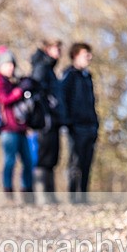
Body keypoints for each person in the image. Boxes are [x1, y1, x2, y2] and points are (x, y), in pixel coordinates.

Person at [0, 46, 35, 203]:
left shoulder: (14, 81)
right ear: (1, 65)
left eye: (13, 64)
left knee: (28, 161)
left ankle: (27, 191)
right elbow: (4, 99)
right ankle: (8, 191)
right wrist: (19, 91)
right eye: (8, 64)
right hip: (7, 129)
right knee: (10, 161)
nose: (11, 67)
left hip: (21, 128)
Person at [61, 42, 99, 203]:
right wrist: (69, 122)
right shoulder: (69, 75)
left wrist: (96, 123)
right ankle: (73, 197)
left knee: (87, 163)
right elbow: (63, 100)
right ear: (75, 55)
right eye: (86, 54)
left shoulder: (88, 77)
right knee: (75, 162)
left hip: (90, 126)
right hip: (76, 127)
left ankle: (84, 196)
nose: (89, 57)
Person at [31, 38, 64, 203]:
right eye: (56, 48)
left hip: (53, 120)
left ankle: (50, 194)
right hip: (45, 121)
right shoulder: (42, 67)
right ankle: (43, 195)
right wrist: (47, 109)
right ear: (47, 49)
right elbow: (36, 91)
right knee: (44, 157)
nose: (59, 52)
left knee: (52, 157)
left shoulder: (50, 69)